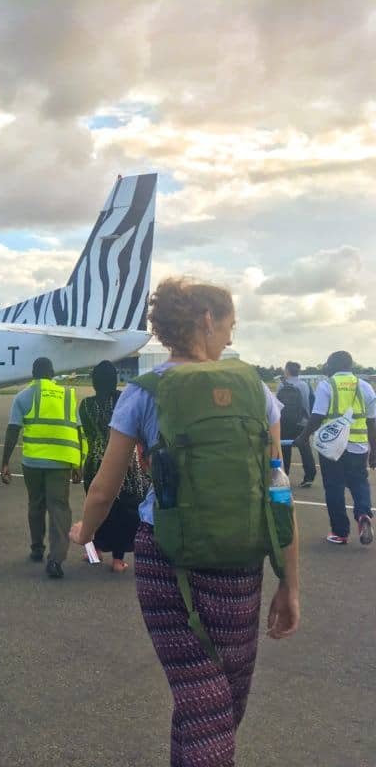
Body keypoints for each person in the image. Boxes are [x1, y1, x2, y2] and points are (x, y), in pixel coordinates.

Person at [70, 278, 299, 767]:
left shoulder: (144, 391)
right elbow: (278, 496)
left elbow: (104, 488)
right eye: (231, 326)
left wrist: (83, 534)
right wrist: (290, 583)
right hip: (241, 564)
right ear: (207, 320)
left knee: (201, 702)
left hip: (166, 558)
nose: (231, 340)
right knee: (222, 702)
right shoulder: (255, 391)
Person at [1, 357, 85, 579]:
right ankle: (56, 560)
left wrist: (5, 462)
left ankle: (37, 548)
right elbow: (78, 431)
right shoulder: (68, 396)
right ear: (52, 373)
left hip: (33, 462)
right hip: (61, 462)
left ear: (33, 374)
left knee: (36, 504)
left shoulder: (23, 396)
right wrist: (79, 463)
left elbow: (12, 430)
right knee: (59, 508)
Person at [294, 350, 376, 545]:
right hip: (358, 446)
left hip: (332, 449)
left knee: (334, 487)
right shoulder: (364, 386)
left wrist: (303, 437)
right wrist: (374, 452)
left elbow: (317, 416)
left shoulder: (327, 386)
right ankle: (364, 514)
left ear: (332, 365)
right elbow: (372, 423)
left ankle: (340, 532)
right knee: (359, 483)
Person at [78, 360, 151, 573]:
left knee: (94, 507)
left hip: (94, 461)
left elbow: (90, 435)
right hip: (122, 463)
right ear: (114, 380)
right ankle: (118, 560)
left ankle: (94, 552)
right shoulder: (122, 400)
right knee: (121, 512)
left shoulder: (86, 405)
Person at [277, 361, 316, 487]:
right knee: (305, 450)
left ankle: (284, 475)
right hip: (302, 422)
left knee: (284, 451)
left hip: (285, 422)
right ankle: (309, 476)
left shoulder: (281, 385)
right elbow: (310, 403)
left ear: (287, 371)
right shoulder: (305, 385)